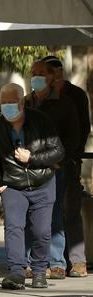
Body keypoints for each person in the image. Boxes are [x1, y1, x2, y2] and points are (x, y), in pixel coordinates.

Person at [0, 83, 64, 290]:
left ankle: (39, 272)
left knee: (42, 231)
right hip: (13, 184)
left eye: (12, 102)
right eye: (4, 103)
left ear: (22, 102)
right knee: (13, 228)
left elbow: (58, 152)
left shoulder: (40, 120)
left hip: (42, 182)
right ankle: (16, 272)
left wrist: (32, 158)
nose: (8, 106)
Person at [24, 60, 80, 280]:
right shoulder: (26, 102)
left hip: (55, 168)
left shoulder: (64, 103)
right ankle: (31, 262)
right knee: (31, 216)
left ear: (51, 77)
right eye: (33, 73)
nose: (36, 77)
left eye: (41, 73)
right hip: (29, 168)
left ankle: (57, 263)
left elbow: (73, 136)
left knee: (54, 216)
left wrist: (61, 160)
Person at [42, 55, 89, 277]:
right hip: (44, 162)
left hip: (68, 160)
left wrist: (70, 156)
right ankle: (54, 260)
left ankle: (77, 260)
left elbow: (82, 128)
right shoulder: (39, 98)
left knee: (70, 208)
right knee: (50, 211)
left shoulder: (75, 96)